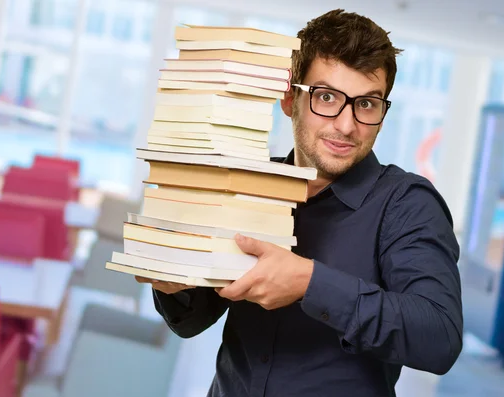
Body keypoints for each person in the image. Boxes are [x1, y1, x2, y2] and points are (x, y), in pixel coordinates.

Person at [136, 8, 463, 397]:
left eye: (367, 104)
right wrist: (174, 286)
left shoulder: (408, 204)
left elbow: (440, 337)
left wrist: (310, 284)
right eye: (326, 97)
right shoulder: (247, 184)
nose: (346, 125)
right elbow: (191, 321)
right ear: (290, 99)